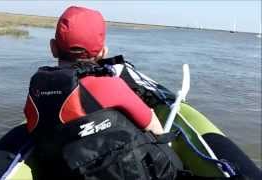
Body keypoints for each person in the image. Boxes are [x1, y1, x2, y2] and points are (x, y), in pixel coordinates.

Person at [23, 6, 182, 180]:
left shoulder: (37, 87)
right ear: (103, 52)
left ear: (53, 48)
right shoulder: (110, 85)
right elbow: (154, 128)